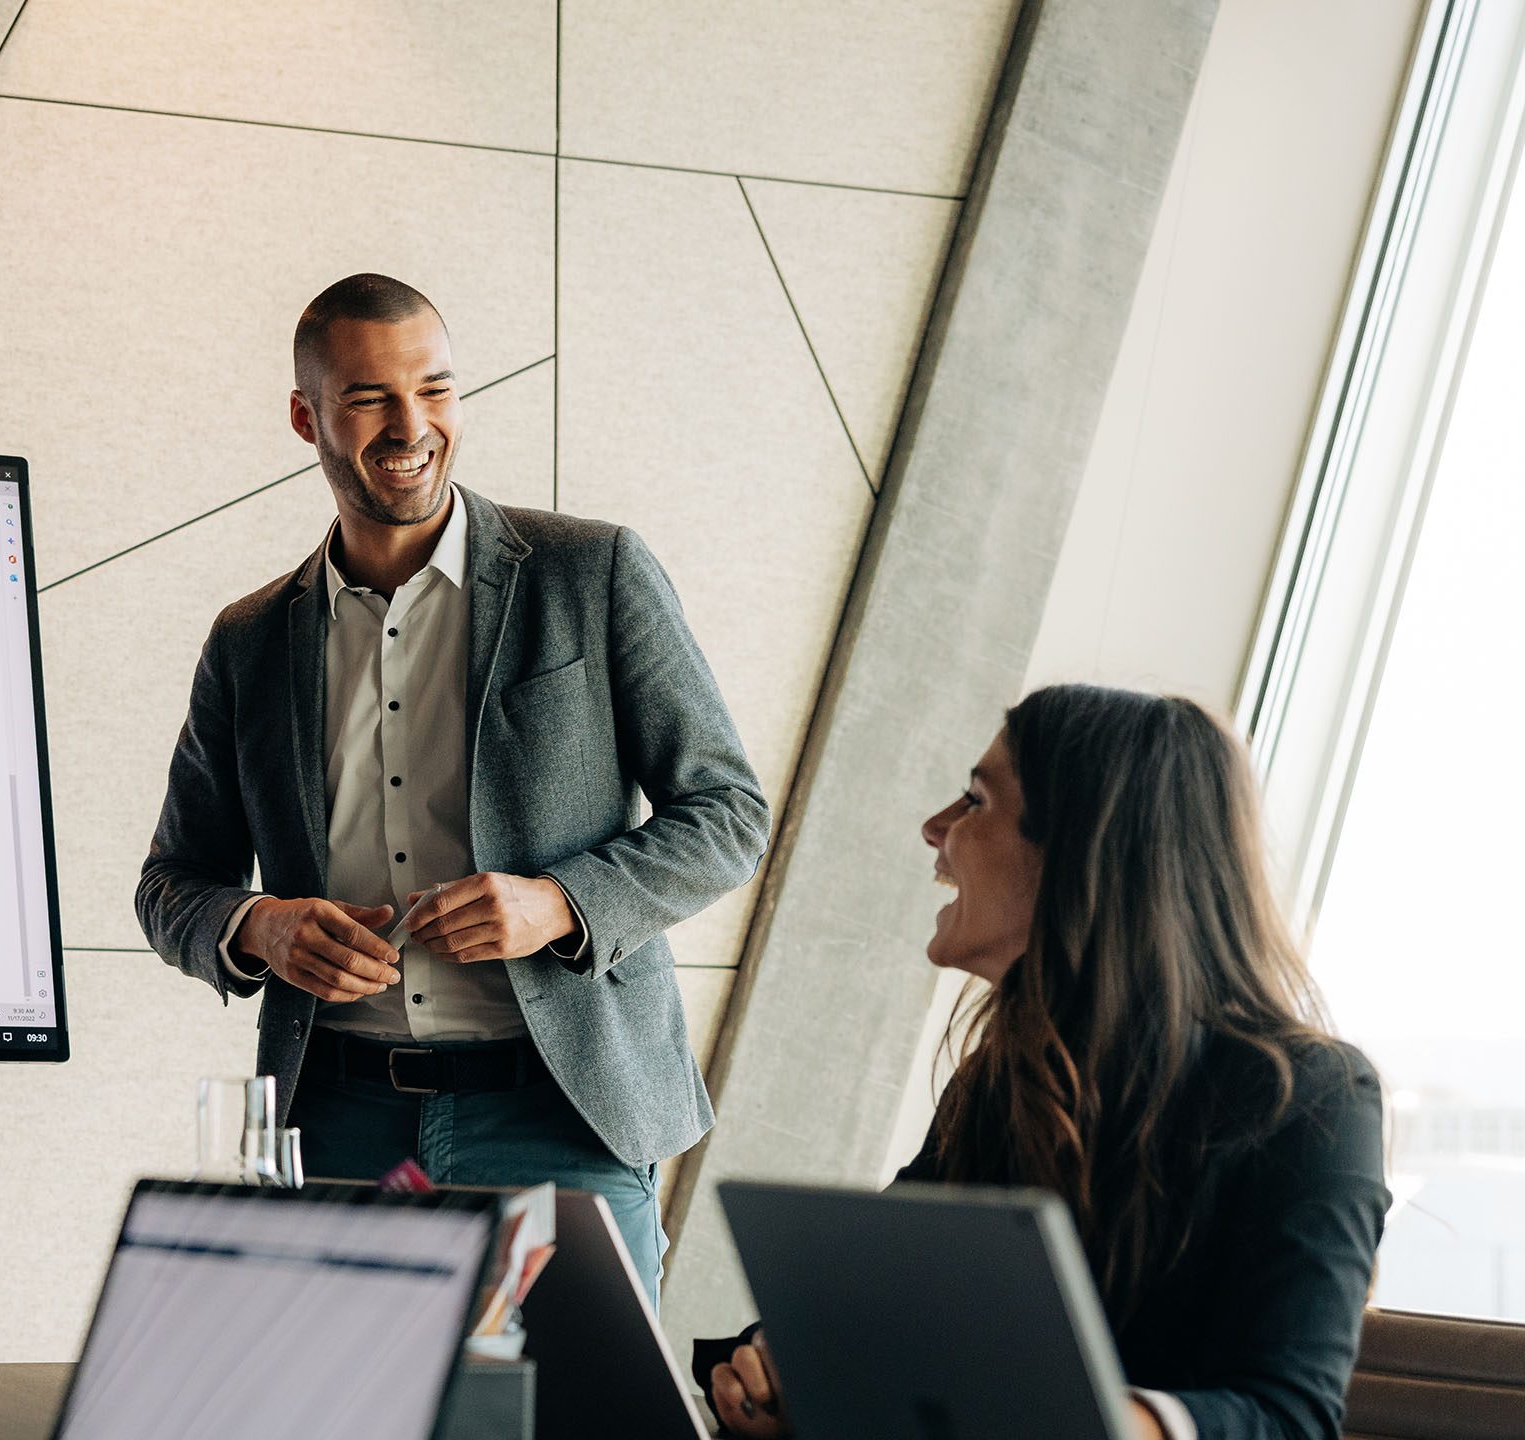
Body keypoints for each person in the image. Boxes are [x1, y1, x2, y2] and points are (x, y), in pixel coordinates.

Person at [136, 273, 771, 1289]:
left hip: (561, 1112)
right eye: (369, 398)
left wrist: (559, 903)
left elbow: (728, 814)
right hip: (334, 1121)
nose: (411, 426)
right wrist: (260, 928)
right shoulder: (248, 641)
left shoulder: (592, 572)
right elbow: (171, 884)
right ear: (306, 418)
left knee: (588, 1388)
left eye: (434, 389)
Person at [696, 685, 1388, 1440]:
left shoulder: (1314, 1095)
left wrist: (1083, 1418)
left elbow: (1291, 1419)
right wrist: (783, 1371)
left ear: (1081, 853)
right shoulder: (1002, 1080)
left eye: (975, 801)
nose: (934, 828)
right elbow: (871, 1301)